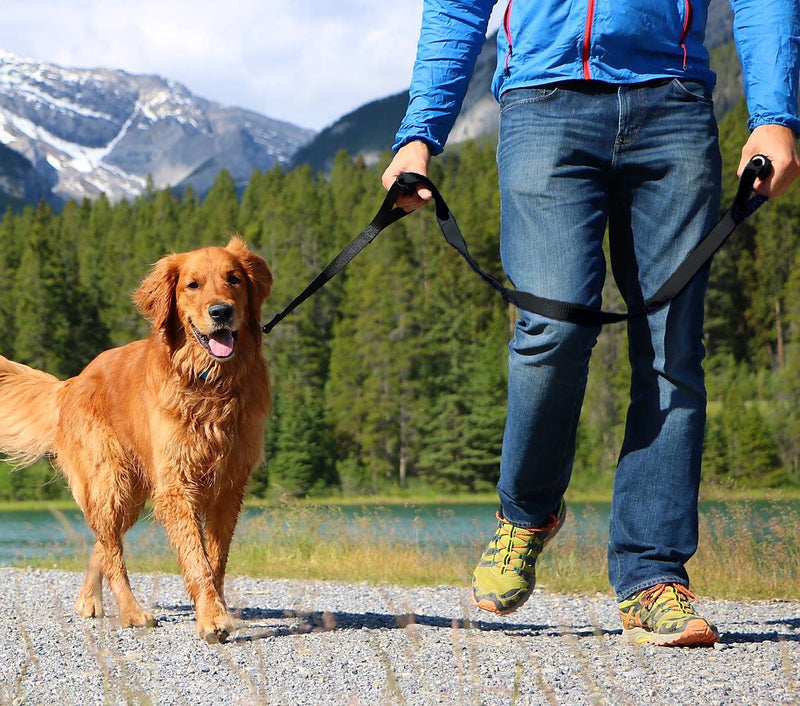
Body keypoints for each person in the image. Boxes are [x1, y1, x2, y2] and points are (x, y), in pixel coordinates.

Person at [382, 0, 800, 647]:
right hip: (541, 102)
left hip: (674, 100)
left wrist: (774, 115)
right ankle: (525, 514)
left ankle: (653, 578)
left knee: (672, 348)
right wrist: (420, 133)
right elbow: (458, 6)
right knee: (551, 332)